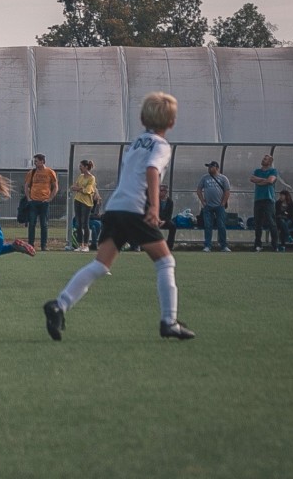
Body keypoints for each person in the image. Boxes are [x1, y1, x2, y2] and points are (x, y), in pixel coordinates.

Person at [43, 92, 195, 341]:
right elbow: (152, 170)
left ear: (142, 117)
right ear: (171, 122)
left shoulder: (136, 143)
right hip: (135, 210)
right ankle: (169, 322)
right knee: (165, 263)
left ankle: (60, 305)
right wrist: (154, 208)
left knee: (101, 265)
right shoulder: (161, 145)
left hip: (115, 208)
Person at [23, 153, 58, 251]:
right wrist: (29, 198)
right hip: (33, 201)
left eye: (37, 161)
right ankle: (30, 245)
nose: (35, 163)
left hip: (44, 201)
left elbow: (55, 186)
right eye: (35, 161)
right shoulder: (32, 172)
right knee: (32, 223)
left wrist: (50, 198)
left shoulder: (50, 172)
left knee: (44, 224)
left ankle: (44, 245)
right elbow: (26, 185)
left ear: (42, 161)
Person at [196, 161, 232, 253]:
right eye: (208, 167)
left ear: (216, 168)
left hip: (219, 206)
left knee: (221, 225)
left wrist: (223, 203)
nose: (209, 169)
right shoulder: (204, 178)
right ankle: (207, 245)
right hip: (208, 206)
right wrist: (203, 201)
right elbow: (199, 189)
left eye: (211, 167)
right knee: (208, 225)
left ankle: (223, 246)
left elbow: (227, 191)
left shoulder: (223, 178)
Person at [250, 154, 279, 252]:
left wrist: (260, 181)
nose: (263, 160)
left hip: (268, 199)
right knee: (258, 223)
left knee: (271, 222)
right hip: (258, 200)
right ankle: (258, 244)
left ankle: (275, 245)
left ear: (270, 162)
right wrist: (264, 180)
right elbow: (252, 179)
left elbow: (271, 181)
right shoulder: (257, 171)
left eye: (265, 159)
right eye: (263, 158)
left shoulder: (273, 171)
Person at [70, 160, 97, 252]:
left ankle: (86, 245)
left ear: (86, 167)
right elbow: (73, 187)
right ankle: (80, 245)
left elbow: (88, 191)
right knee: (78, 224)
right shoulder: (81, 176)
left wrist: (79, 188)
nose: (79, 168)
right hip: (77, 201)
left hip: (86, 203)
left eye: (81, 166)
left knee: (85, 223)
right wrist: (80, 188)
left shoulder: (91, 178)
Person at [158, 184, 177, 250]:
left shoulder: (170, 202)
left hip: (165, 220)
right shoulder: (155, 200)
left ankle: (169, 246)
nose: (159, 192)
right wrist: (158, 220)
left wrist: (165, 221)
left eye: (161, 190)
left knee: (173, 226)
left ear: (166, 192)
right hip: (157, 220)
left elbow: (169, 214)